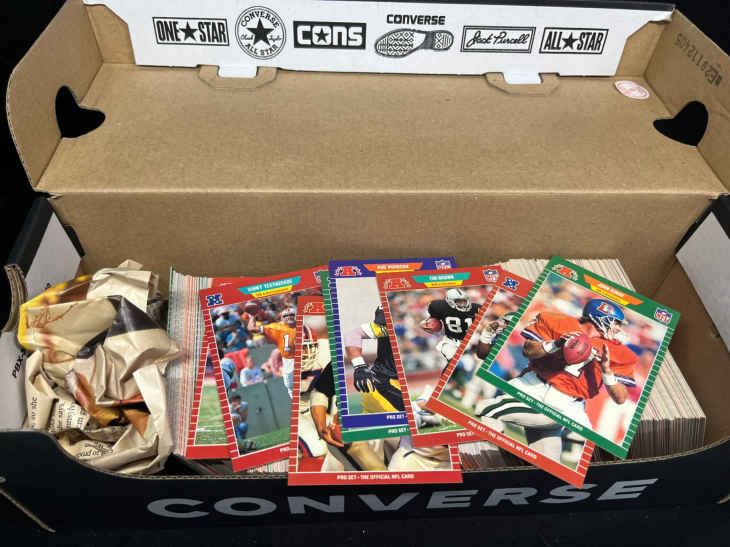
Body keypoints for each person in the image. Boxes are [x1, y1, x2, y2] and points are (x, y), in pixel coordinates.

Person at [478, 298, 638, 461]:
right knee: (547, 462)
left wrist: (607, 372)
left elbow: (620, 398)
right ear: (599, 318)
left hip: (566, 405)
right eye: (616, 323)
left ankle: (496, 460)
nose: (618, 328)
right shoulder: (557, 322)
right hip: (533, 386)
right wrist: (555, 344)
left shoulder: (618, 351)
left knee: (486, 409)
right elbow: (527, 350)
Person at [344, 305, 405, 413]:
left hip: (383, 382)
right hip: (384, 384)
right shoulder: (386, 326)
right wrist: (359, 367)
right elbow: (352, 335)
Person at [248, 306, 297, 396]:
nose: (289, 317)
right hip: (289, 361)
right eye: (286, 316)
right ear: (282, 318)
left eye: (291, 315)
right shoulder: (276, 327)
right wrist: (252, 316)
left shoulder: (304, 325)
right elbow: (251, 328)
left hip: (305, 359)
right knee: (292, 389)